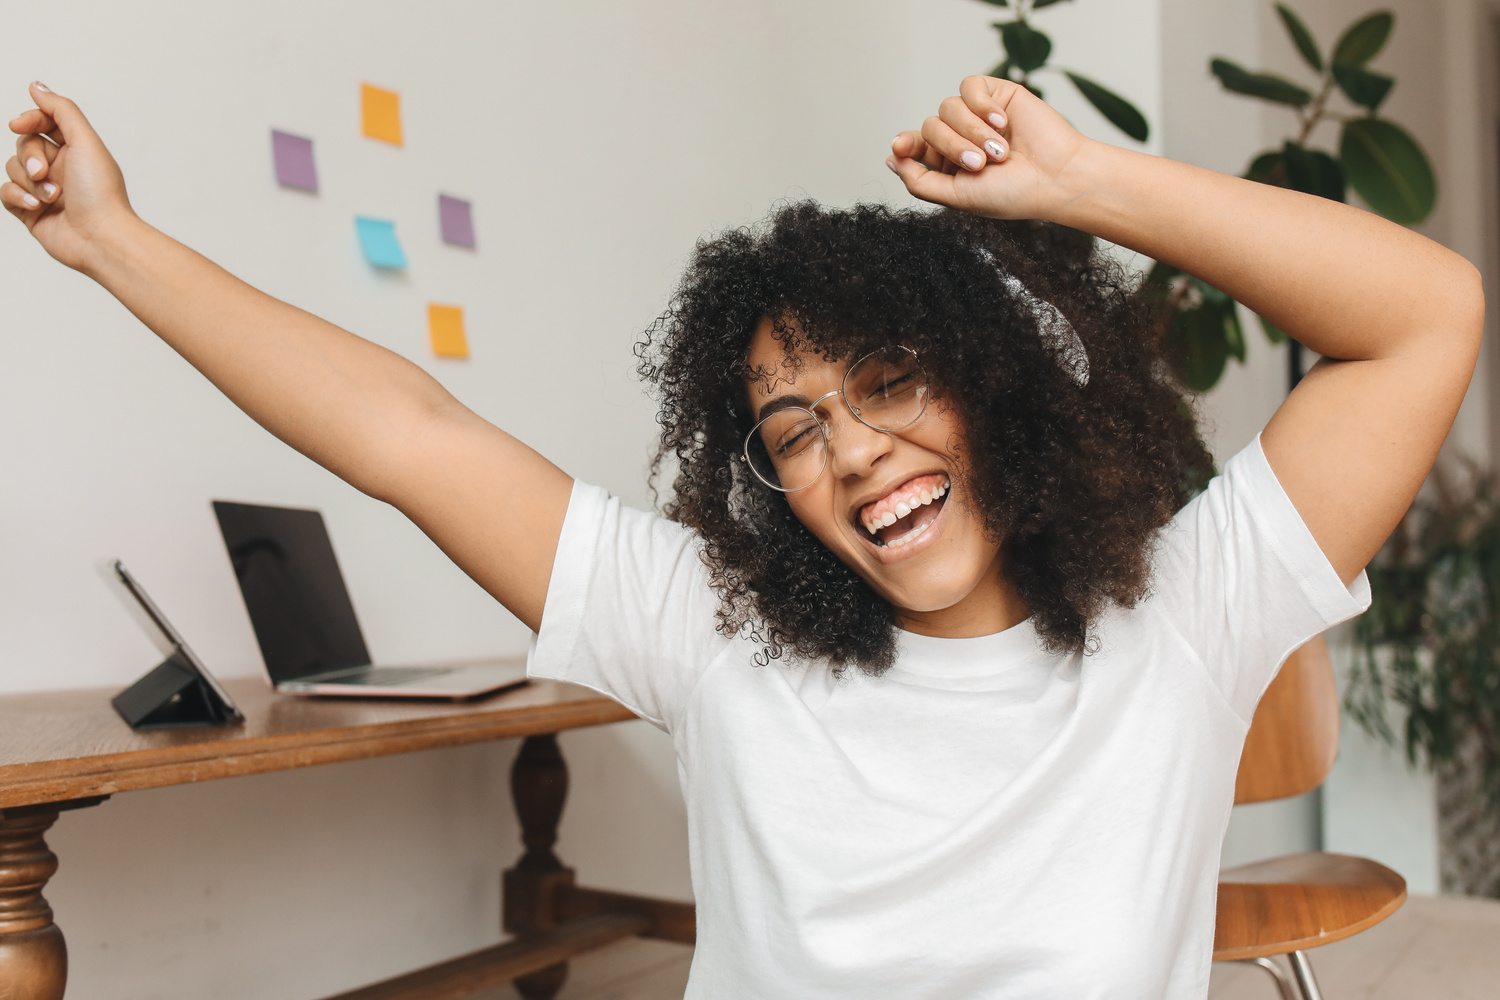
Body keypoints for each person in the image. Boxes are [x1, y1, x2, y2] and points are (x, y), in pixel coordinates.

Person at [4, 75, 1481, 997]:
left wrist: (1078, 184)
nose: (855, 455)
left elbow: (1428, 319)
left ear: (994, 387)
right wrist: (113, 240)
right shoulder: (716, 631)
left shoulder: (1187, 618)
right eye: (796, 434)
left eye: (891, 384)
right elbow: (413, 435)